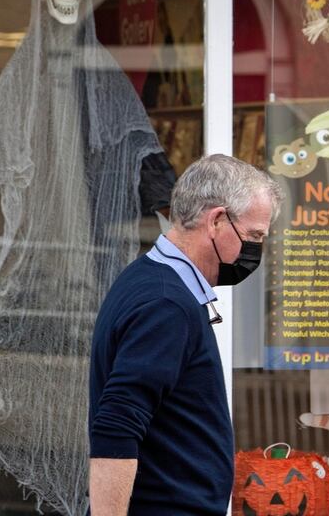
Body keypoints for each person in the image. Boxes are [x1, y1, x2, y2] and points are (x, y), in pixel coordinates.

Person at [88, 154, 282, 515]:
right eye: (254, 236)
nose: (256, 250)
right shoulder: (166, 303)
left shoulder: (150, 280)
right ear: (218, 220)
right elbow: (116, 426)